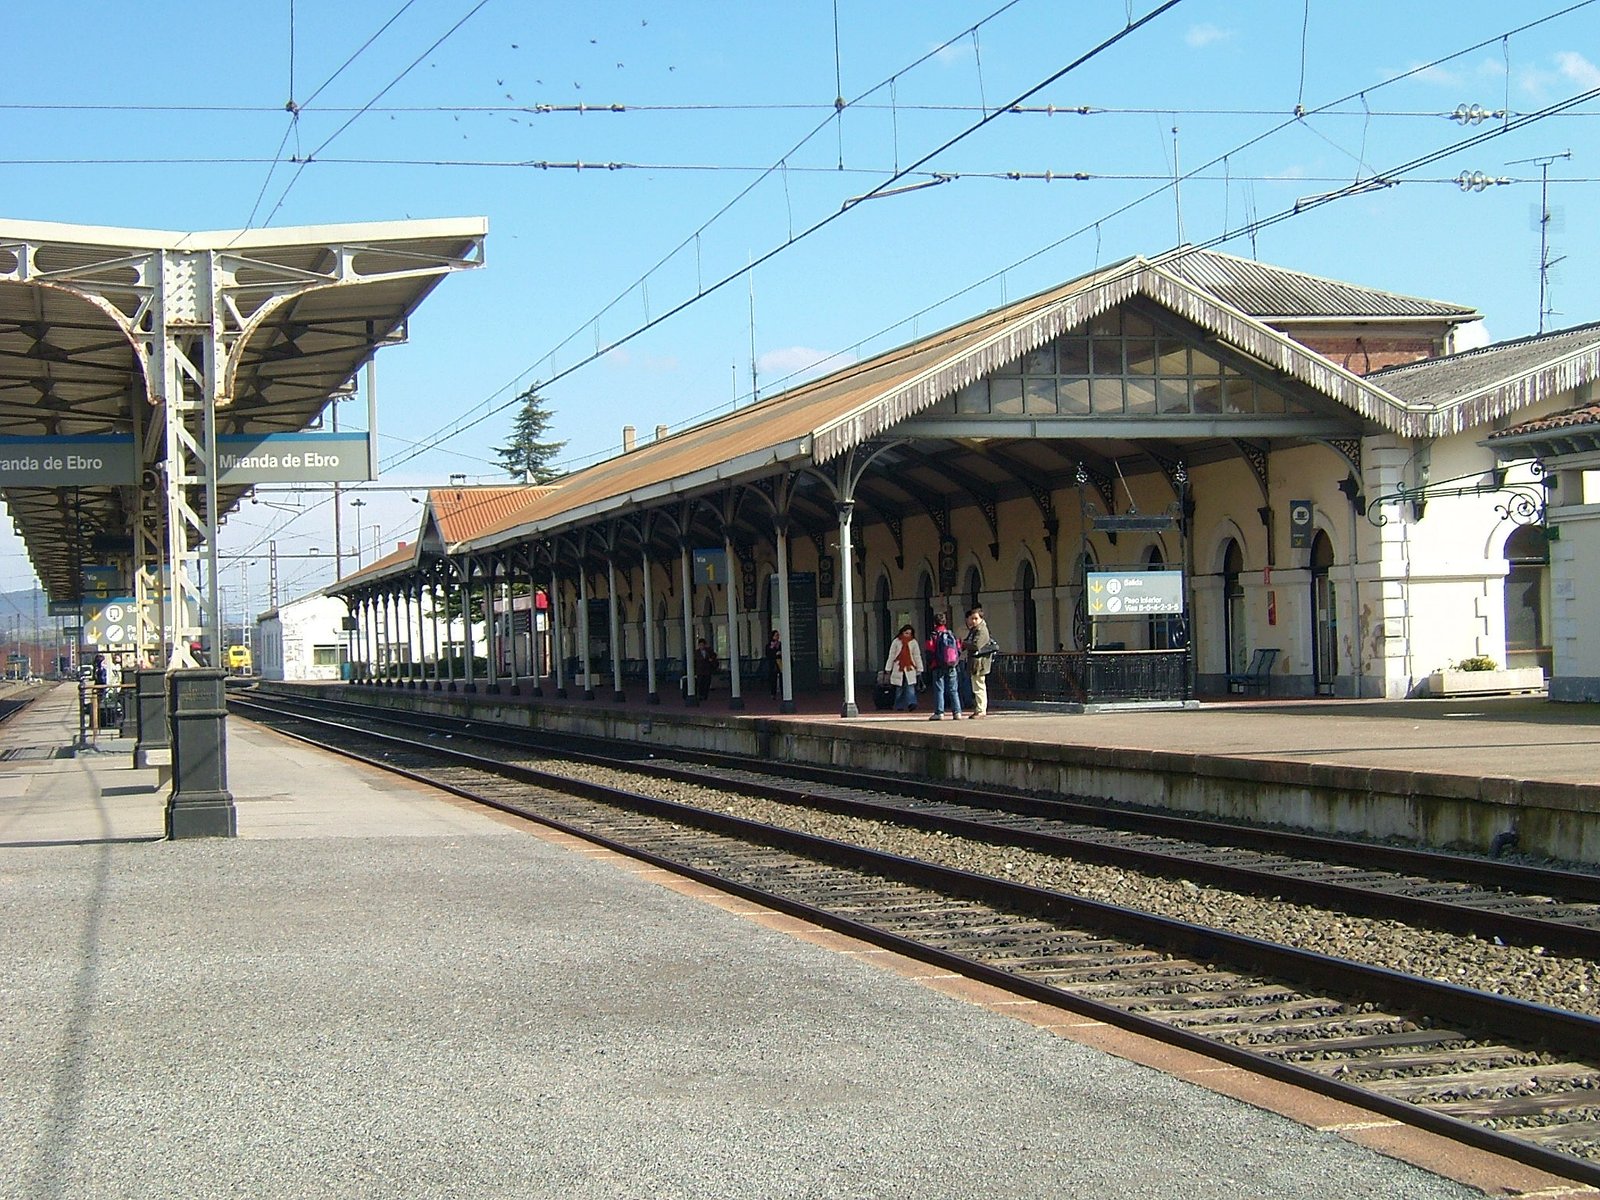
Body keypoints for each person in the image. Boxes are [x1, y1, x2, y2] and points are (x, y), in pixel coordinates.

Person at [924, 612, 963, 721]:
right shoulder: (951, 634)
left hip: (937, 665)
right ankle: (957, 712)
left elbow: (929, 650)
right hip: (951, 665)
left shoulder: (933, 635)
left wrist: (930, 663)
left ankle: (939, 712)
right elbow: (958, 649)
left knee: (939, 689)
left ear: (934, 623)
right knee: (953, 689)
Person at [882, 623, 924, 712]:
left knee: (910, 687)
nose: (907, 635)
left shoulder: (913, 642)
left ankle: (911, 703)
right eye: (906, 633)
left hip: (910, 668)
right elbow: (892, 655)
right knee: (899, 688)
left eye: (909, 633)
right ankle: (899, 705)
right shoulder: (896, 642)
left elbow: (917, 656)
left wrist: (919, 668)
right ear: (902, 632)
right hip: (898, 668)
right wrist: (888, 668)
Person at [964, 606, 993, 719]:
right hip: (975, 662)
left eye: (976, 618)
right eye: (972, 618)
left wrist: (964, 644)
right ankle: (978, 708)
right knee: (976, 686)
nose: (973, 621)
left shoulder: (982, 630)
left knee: (979, 687)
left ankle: (981, 710)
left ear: (981, 618)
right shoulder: (974, 630)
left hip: (980, 663)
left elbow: (976, 645)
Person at [765, 629, 782, 698]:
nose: (777, 637)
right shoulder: (769, 645)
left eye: (778, 635)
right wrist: (774, 652)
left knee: (781, 677)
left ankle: (783, 692)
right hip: (773, 663)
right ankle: (773, 693)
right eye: (776, 635)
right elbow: (768, 654)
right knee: (773, 678)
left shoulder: (780, 644)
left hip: (780, 662)